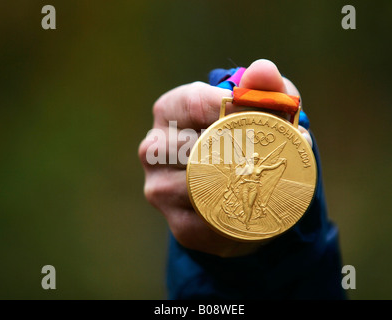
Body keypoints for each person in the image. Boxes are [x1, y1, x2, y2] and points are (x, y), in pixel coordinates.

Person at [138, 59, 346, 299]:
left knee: (249, 207)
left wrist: (286, 162)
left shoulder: (257, 166)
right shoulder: (244, 162)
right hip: (240, 194)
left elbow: (271, 166)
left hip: (255, 196)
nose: (255, 157)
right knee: (242, 206)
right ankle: (245, 225)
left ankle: (248, 224)